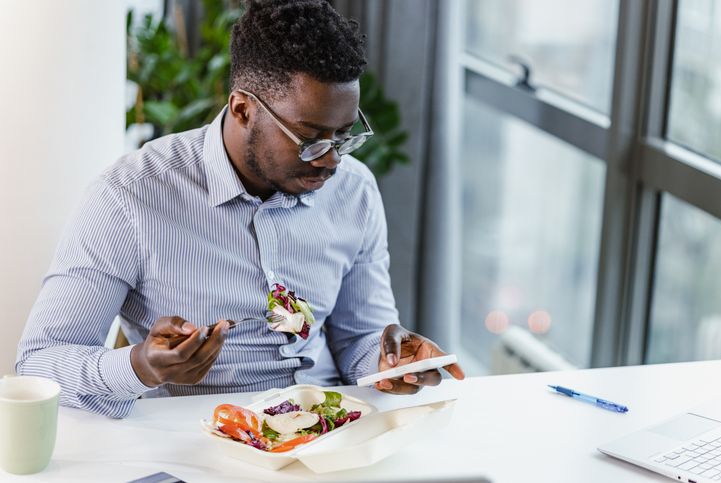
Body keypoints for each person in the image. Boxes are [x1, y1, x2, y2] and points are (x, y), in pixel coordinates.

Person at [15, 0, 464, 418]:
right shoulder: (130, 196)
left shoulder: (354, 191)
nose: (330, 160)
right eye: (311, 139)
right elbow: (38, 365)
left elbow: (360, 338)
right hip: (198, 444)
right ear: (244, 109)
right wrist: (140, 367)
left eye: (345, 136)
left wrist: (392, 361)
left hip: (333, 435)